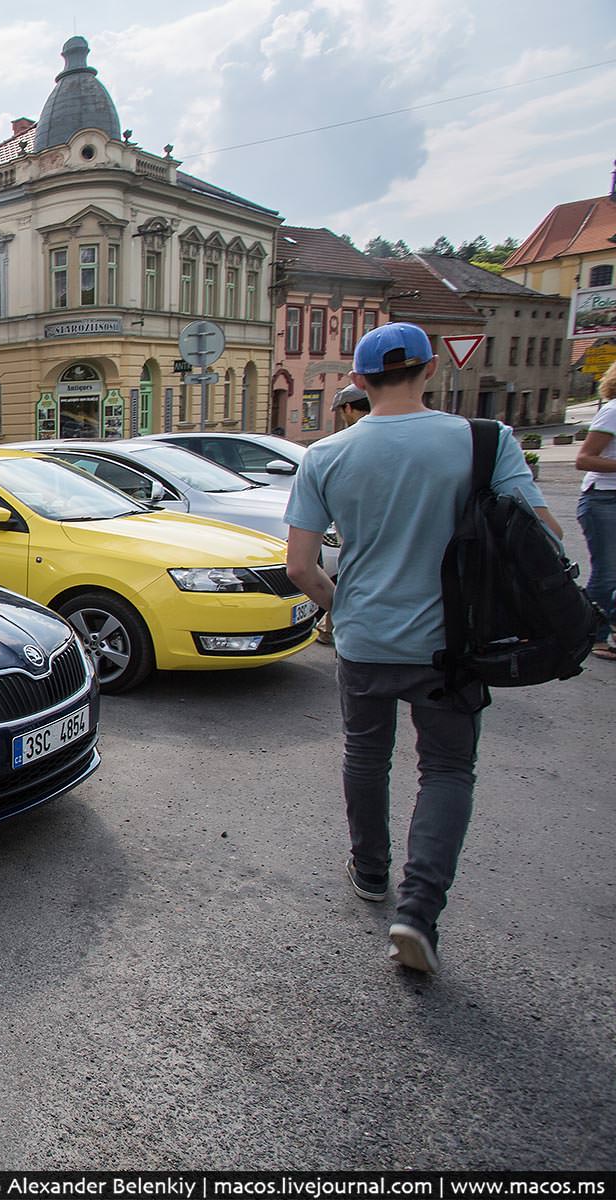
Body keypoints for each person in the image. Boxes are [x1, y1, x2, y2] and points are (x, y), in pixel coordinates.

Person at [284, 322, 564, 975]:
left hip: (364, 638)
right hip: (453, 644)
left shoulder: (325, 455)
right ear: (430, 369)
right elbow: (543, 538)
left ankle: (371, 872)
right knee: (445, 770)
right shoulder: (484, 442)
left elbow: (300, 566)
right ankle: (417, 912)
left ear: (358, 380)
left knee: (365, 754)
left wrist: (342, 607)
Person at [313, 386, 372, 645]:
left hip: (363, 623)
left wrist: (342, 611)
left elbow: (300, 567)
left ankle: (330, 625)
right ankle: (328, 626)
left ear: (348, 409)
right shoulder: (472, 437)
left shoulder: (331, 451)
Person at [575, 363, 616, 661]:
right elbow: (585, 458)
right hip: (604, 499)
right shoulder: (614, 410)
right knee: (607, 572)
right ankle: (589, 634)